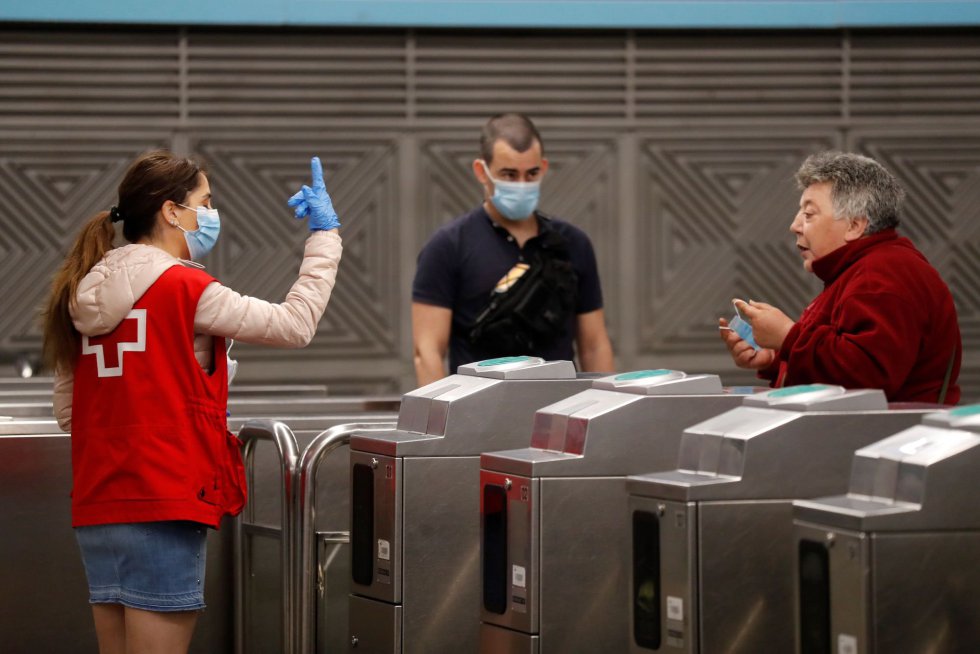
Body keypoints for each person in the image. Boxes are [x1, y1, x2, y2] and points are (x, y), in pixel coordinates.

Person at [42, 150, 342, 654]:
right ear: (171, 211)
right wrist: (324, 237)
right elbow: (295, 324)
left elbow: (69, 413)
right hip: (164, 499)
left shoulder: (79, 295)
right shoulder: (186, 287)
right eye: (205, 201)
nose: (210, 212)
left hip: (99, 504)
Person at [719, 150, 961, 404]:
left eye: (809, 215)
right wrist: (777, 358)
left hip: (887, 438)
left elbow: (867, 381)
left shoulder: (883, 276)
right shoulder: (867, 268)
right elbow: (844, 364)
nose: (795, 226)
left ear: (855, 226)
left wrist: (789, 337)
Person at [411, 113, 614, 386]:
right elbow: (428, 353)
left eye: (531, 174)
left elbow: (594, 345)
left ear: (543, 168)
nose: (521, 185)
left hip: (560, 412)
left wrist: (607, 409)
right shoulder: (448, 246)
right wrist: (442, 424)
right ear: (482, 172)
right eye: (509, 174)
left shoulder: (573, 243)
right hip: (477, 415)